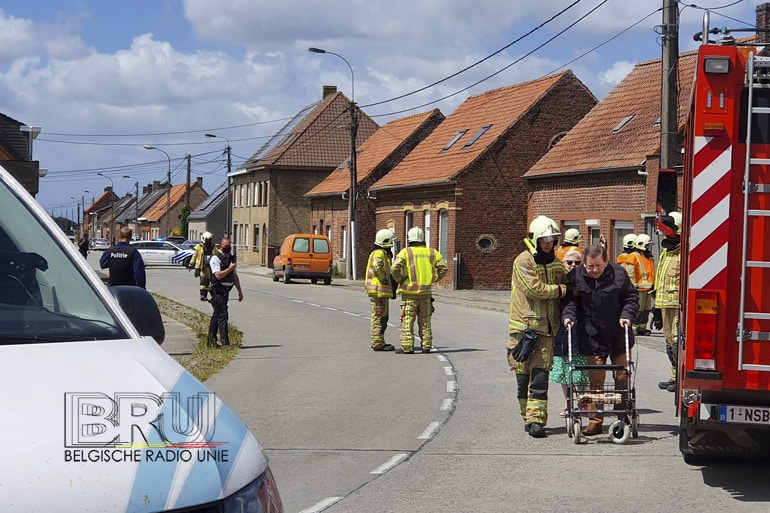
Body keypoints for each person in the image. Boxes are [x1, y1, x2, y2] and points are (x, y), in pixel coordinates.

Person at [561, 243, 638, 436]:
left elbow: (631, 297)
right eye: (590, 266)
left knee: (621, 375)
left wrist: (627, 315)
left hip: (618, 332)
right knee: (596, 379)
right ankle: (595, 421)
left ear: (606, 261)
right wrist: (568, 316)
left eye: (598, 266)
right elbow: (571, 300)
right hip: (592, 335)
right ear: (584, 263)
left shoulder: (619, 275)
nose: (594, 270)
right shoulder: (577, 276)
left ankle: (622, 416)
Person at [507, 215, 570, 438]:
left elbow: (569, 280)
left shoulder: (555, 262)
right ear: (534, 239)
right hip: (523, 330)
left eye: (552, 240)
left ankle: (536, 421)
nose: (548, 244)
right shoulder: (523, 261)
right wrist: (562, 290)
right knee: (522, 377)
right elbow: (535, 289)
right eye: (544, 240)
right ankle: (526, 415)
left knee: (540, 377)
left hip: (547, 331)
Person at [392, 226, 448, 354]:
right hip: (426, 294)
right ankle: (426, 346)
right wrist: (434, 278)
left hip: (408, 293)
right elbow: (444, 268)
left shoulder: (406, 252)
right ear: (423, 239)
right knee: (425, 320)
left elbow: (395, 267)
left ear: (409, 239)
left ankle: (407, 347)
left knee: (407, 320)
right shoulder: (432, 252)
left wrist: (400, 279)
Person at [549, 249, 589, 417]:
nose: (573, 265)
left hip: (583, 330)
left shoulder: (586, 280)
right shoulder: (559, 280)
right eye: (569, 262)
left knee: (582, 370)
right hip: (562, 329)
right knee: (564, 369)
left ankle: (583, 402)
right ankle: (568, 403)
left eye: (577, 263)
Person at [653, 212, 682, 393]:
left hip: (678, 307)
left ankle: (680, 377)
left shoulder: (683, 254)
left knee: (677, 343)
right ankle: (674, 376)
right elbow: (659, 280)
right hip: (664, 306)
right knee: (669, 342)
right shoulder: (666, 253)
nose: (665, 235)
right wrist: (656, 308)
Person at [207, 237, 243, 348]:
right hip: (217, 291)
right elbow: (217, 275)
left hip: (226, 292)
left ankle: (211, 341)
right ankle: (225, 342)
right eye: (226, 247)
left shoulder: (230, 259)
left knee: (217, 315)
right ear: (220, 246)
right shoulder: (215, 259)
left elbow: (234, 276)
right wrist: (230, 269)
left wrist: (239, 292)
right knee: (223, 316)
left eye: (229, 246)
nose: (228, 248)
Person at [365, 229, 397, 352]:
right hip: (378, 291)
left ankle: (380, 340)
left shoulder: (382, 253)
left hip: (381, 292)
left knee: (383, 317)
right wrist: (384, 280)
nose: (392, 245)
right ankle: (377, 343)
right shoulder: (378, 253)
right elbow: (377, 267)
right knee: (379, 317)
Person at [629, 233, 655, 336]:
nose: (648, 248)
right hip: (639, 289)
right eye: (647, 245)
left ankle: (642, 328)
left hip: (648, 289)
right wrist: (634, 286)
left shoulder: (648, 257)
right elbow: (631, 273)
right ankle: (634, 327)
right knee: (638, 309)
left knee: (646, 310)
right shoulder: (634, 256)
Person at [188, 231, 218, 301]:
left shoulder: (213, 247)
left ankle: (214, 296)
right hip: (203, 267)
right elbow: (194, 256)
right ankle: (203, 295)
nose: (208, 241)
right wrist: (191, 264)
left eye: (210, 240)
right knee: (203, 282)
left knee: (212, 282)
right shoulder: (199, 247)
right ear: (204, 239)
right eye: (207, 240)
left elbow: (217, 255)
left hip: (211, 267)